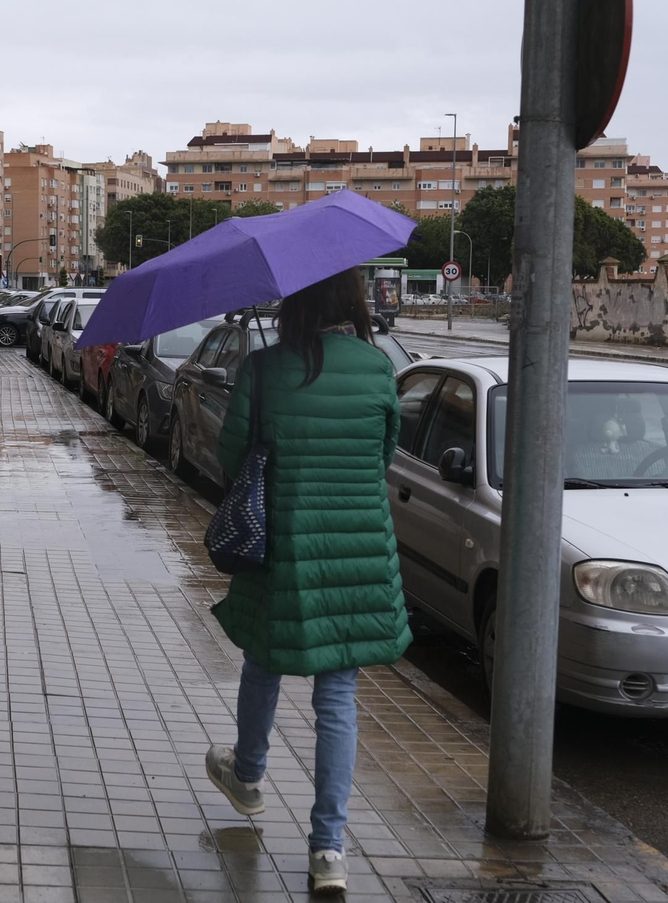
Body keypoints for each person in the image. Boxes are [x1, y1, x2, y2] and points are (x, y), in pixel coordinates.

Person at [203, 267, 411, 896]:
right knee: (337, 698)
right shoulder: (377, 367)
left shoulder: (263, 370)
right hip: (358, 552)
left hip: (284, 546)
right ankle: (328, 851)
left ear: (295, 300)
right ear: (350, 301)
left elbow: (233, 457)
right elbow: (384, 454)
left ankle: (247, 776)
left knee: (263, 661)